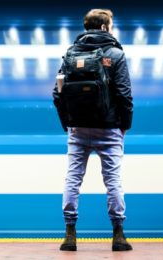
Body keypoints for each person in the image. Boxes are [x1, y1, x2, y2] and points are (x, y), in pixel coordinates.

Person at [52, 8, 134, 252]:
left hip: (77, 128)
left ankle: (69, 234)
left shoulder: (70, 53)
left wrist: (67, 122)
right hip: (109, 128)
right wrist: (125, 125)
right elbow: (124, 94)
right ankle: (118, 235)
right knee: (113, 180)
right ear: (104, 27)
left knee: (73, 178)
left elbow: (57, 93)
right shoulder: (116, 54)